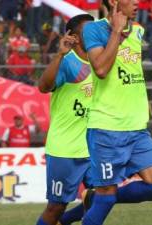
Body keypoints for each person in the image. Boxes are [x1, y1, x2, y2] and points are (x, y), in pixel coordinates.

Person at [81, 0, 152, 224]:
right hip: (107, 127)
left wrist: (143, 100)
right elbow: (100, 69)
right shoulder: (93, 29)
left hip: (137, 127)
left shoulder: (138, 30)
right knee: (106, 198)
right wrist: (117, 32)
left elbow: (131, 72)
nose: (137, 3)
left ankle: (94, 198)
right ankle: (97, 200)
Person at [35, 14, 96, 225]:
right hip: (65, 149)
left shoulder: (101, 60)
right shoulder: (68, 62)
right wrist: (59, 55)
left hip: (94, 146)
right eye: (89, 31)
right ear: (76, 37)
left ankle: (67, 220)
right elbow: (43, 87)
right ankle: (63, 219)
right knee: (56, 207)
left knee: (102, 196)